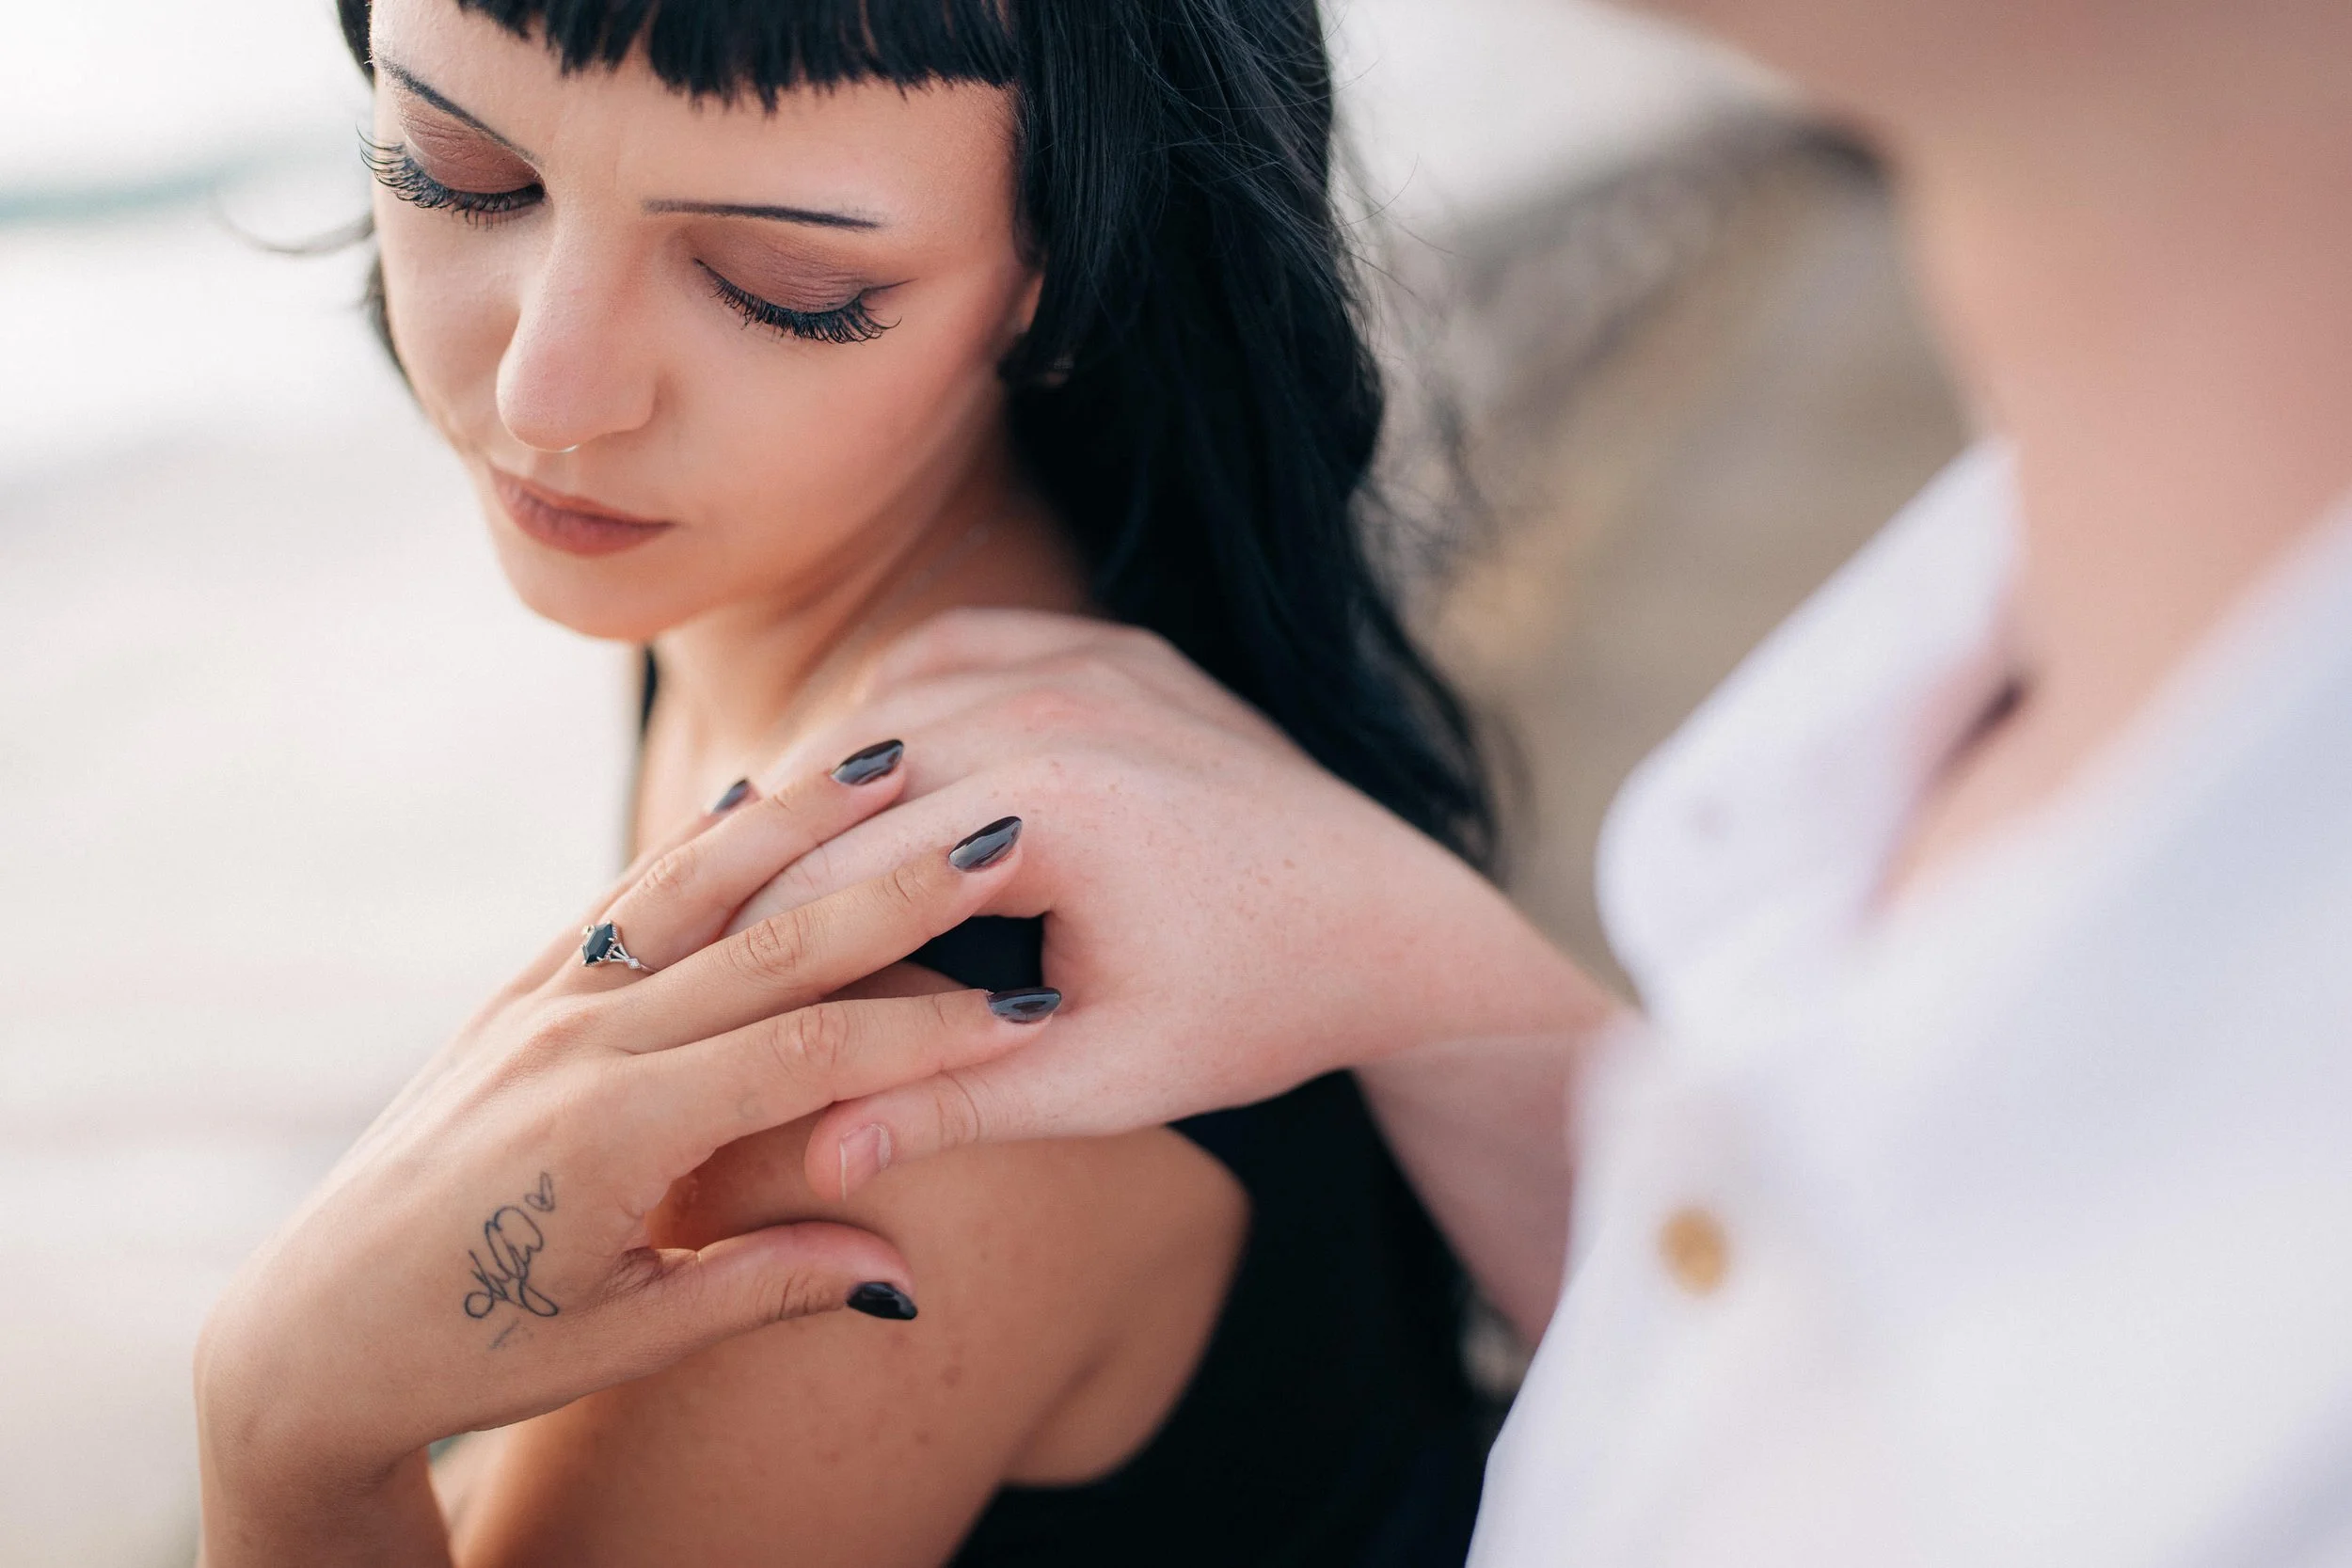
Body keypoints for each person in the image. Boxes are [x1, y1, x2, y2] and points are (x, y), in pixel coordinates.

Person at [697, 0, 2352, 1561]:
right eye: (498, 184)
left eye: (786, 281)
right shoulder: (2030, 646)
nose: (575, 392)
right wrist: (1430, 978)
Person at [195, 0, 1496, 1561]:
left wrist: (278, 1428)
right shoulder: (768, 575)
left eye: (781, 287)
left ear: (1063, 269)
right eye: (457, 171)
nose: (549, 391)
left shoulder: (906, 1090)